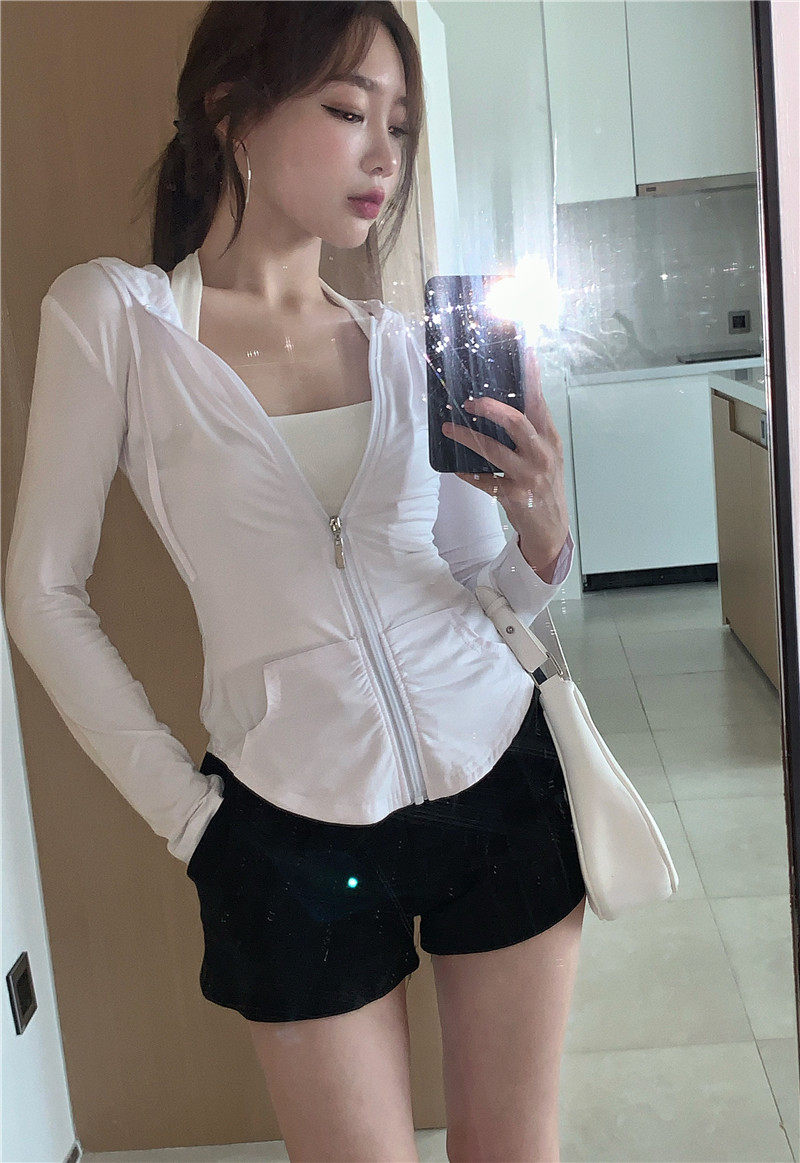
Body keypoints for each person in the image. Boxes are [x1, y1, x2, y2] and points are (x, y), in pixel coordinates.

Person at [4, 3, 586, 1160]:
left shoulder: (402, 344)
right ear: (231, 113)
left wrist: (541, 528)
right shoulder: (116, 317)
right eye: (346, 110)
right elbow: (43, 593)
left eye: (398, 125)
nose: (384, 155)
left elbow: (482, 589)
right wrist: (190, 818)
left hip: (499, 777)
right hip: (284, 828)